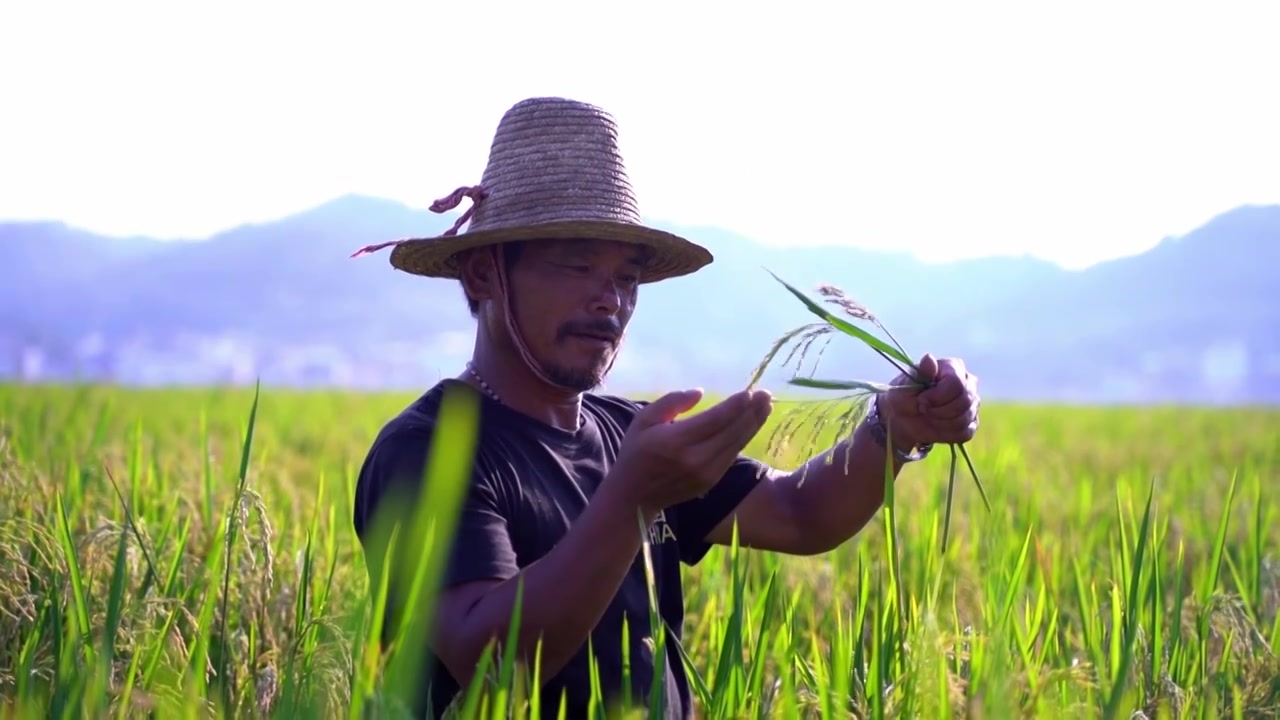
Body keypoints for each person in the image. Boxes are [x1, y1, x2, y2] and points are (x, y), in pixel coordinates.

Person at [349, 97, 981, 719]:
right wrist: (633, 501)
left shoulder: (629, 434)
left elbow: (799, 514)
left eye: (627, 278)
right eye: (577, 265)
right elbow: (488, 661)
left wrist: (892, 430)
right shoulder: (430, 449)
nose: (610, 301)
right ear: (483, 275)